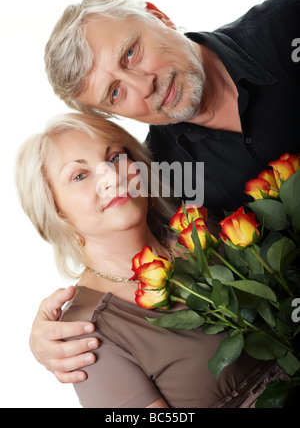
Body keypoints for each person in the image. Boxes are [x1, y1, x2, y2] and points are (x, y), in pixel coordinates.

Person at [31, 0, 300, 382]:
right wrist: (52, 332)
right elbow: (115, 257)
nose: (144, 86)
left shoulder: (287, 23)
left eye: (130, 53)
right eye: (116, 92)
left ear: (158, 16)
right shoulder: (158, 179)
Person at [16, 112, 286, 408]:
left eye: (115, 157)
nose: (112, 176)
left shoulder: (200, 229)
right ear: (55, 211)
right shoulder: (86, 334)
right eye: (80, 175)